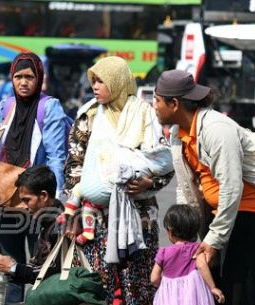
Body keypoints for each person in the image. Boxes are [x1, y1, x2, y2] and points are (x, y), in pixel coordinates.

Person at [153, 69, 255, 305]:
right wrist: (187, 235)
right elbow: (186, 186)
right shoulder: (178, 134)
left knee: (239, 289)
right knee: (214, 288)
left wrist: (213, 239)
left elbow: (231, 187)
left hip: (250, 212)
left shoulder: (216, 130)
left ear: (174, 103)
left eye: (157, 100)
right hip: (218, 213)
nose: (154, 106)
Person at [62, 56, 174, 305]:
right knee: (99, 286)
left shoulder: (145, 115)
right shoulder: (88, 117)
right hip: (96, 219)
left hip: (139, 217)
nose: (95, 86)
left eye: (101, 81)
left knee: (137, 284)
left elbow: (164, 163)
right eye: (93, 81)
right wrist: (75, 206)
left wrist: (148, 184)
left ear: (118, 82)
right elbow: (74, 165)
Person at [0, 52, 69, 303]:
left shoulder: (49, 107)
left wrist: (56, 199)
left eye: (29, 77)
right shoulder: (6, 105)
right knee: (9, 268)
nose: (23, 82)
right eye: (18, 77)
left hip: (38, 203)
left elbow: (56, 155)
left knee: (43, 266)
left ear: (39, 78)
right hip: (7, 200)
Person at [0, 165, 62, 284]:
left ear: (44, 196)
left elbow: (51, 274)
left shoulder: (60, 226)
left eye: (27, 200)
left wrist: (13, 268)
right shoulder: (45, 221)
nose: (23, 207)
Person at [151, 204, 225, 305]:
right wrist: (213, 287)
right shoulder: (196, 249)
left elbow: (154, 278)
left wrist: (166, 286)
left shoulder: (163, 252)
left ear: (170, 232)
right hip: (194, 294)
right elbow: (202, 265)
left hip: (170, 298)